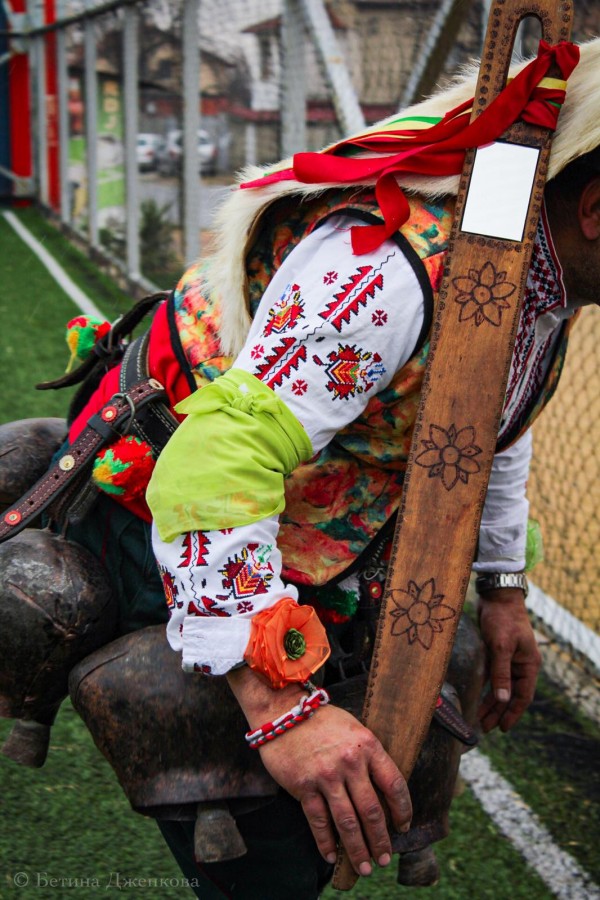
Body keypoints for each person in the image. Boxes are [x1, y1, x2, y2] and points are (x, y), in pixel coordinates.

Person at [32, 36, 599, 898]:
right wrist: (280, 709)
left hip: (300, 531)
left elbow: (487, 415)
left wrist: (504, 586)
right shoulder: (388, 272)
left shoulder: (529, 267)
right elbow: (214, 462)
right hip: (173, 511)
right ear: (595, 207)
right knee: (276, 861)